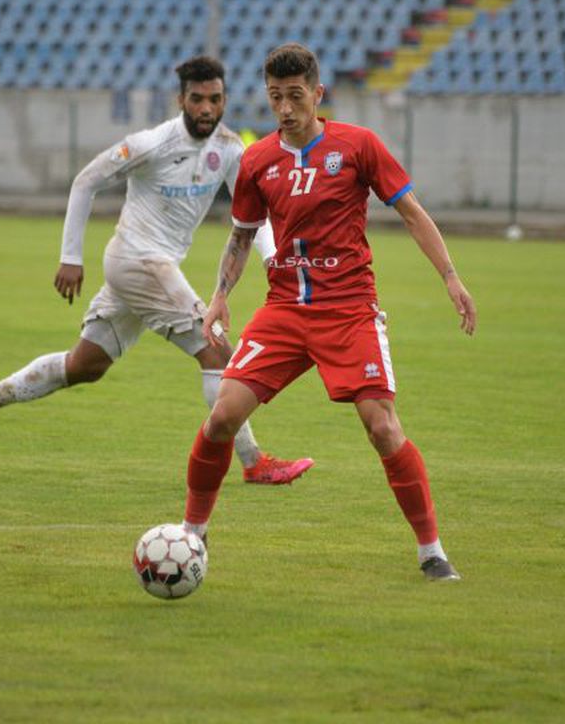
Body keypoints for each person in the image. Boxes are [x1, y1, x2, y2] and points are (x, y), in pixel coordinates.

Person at [181, 44, 477, 581]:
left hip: (349, 312)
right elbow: (242, 236)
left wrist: (451, 278)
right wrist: (221, 293)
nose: (286, 108)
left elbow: (411, 212)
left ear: (318, 94)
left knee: (382, 426)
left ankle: (431, 551)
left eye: (296, 96)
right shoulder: (258, 160)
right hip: (285, 310)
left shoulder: (358, 146)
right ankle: (191, 539)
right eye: (276, 97)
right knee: (223, 415)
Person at [0, 56, 314, 486]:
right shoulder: (152, 143)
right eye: (196, 99)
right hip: (139, 260)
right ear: (181, 99)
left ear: (224, 100)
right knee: (216, 350)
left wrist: (273, 260)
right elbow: (85, 180)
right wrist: (71, 256)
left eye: (214, 100)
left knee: (85, 364)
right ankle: (254, 463)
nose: (206, 109)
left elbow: (253, 218)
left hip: (149, 269)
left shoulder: (230, 149)